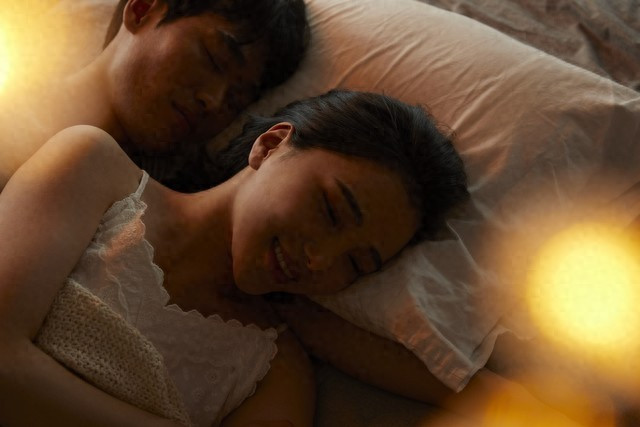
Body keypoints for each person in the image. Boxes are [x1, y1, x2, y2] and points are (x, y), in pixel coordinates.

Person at [0, 90, 470, 426]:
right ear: (270, 145)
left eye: (355, 264)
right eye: (330, 210)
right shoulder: (95, 169)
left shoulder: (274, 376)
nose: (320, 259)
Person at [0, 0, 309, 191]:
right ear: (142, 9)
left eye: (236, 100)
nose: (213, 101)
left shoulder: (172, 205)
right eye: (214, 59)